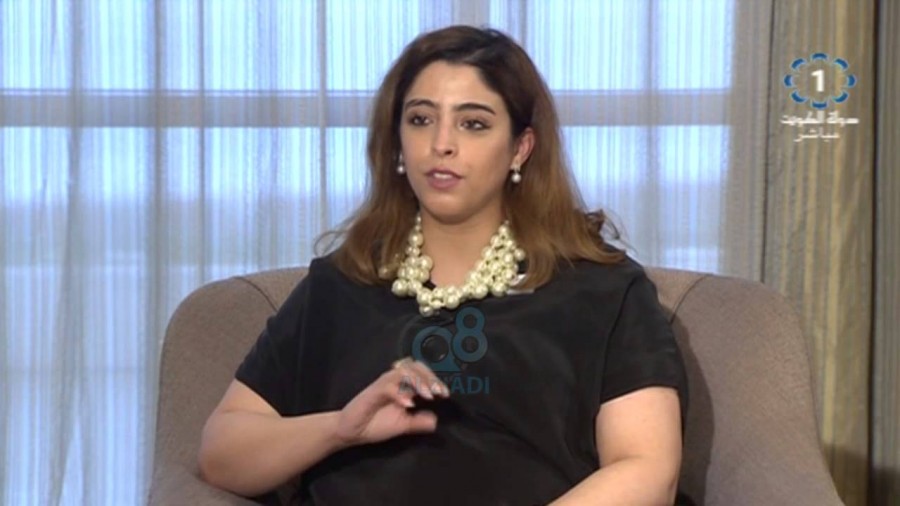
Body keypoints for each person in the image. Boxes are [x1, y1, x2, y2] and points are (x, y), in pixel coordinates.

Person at [198, 25, 691, 505]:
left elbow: (647, 470)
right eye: (420, 119)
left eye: (473, 123)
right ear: (397, 143)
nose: (441, 144)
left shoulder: (602, 290)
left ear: (520, 148)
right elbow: (221, 454)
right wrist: (340, 428)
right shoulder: (340, 284)